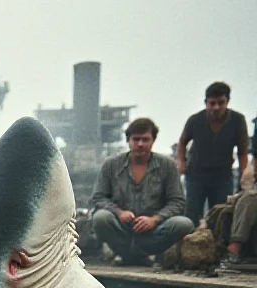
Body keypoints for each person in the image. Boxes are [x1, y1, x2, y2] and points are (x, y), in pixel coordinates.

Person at [91, 117, 193, 265]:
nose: (140, 144)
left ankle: (141, 253)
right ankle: (126, 252)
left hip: (153, 230)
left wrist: (154, 219)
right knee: (101, 218)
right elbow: (98, 198)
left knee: (184, 224)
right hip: (121, 229)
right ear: (128, 140)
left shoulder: (167, 165)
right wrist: (119, 213)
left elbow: (177, 201)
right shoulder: (111, 165)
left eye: (145, 139)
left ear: (153, 141)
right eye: (136, 139)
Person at [176, 82, 250, 224]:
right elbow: (182, 142)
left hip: (222, 175)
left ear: (227, 101)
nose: (216, 107)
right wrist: (181, 162)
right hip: (196, 174)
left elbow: (243, 151)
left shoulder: (237, 120)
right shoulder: (195, 120)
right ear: (206, 103)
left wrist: (243, 175)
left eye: (221, 103)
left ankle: (217, 245)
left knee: (221, 215)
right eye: (212, 103)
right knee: (192, 213)